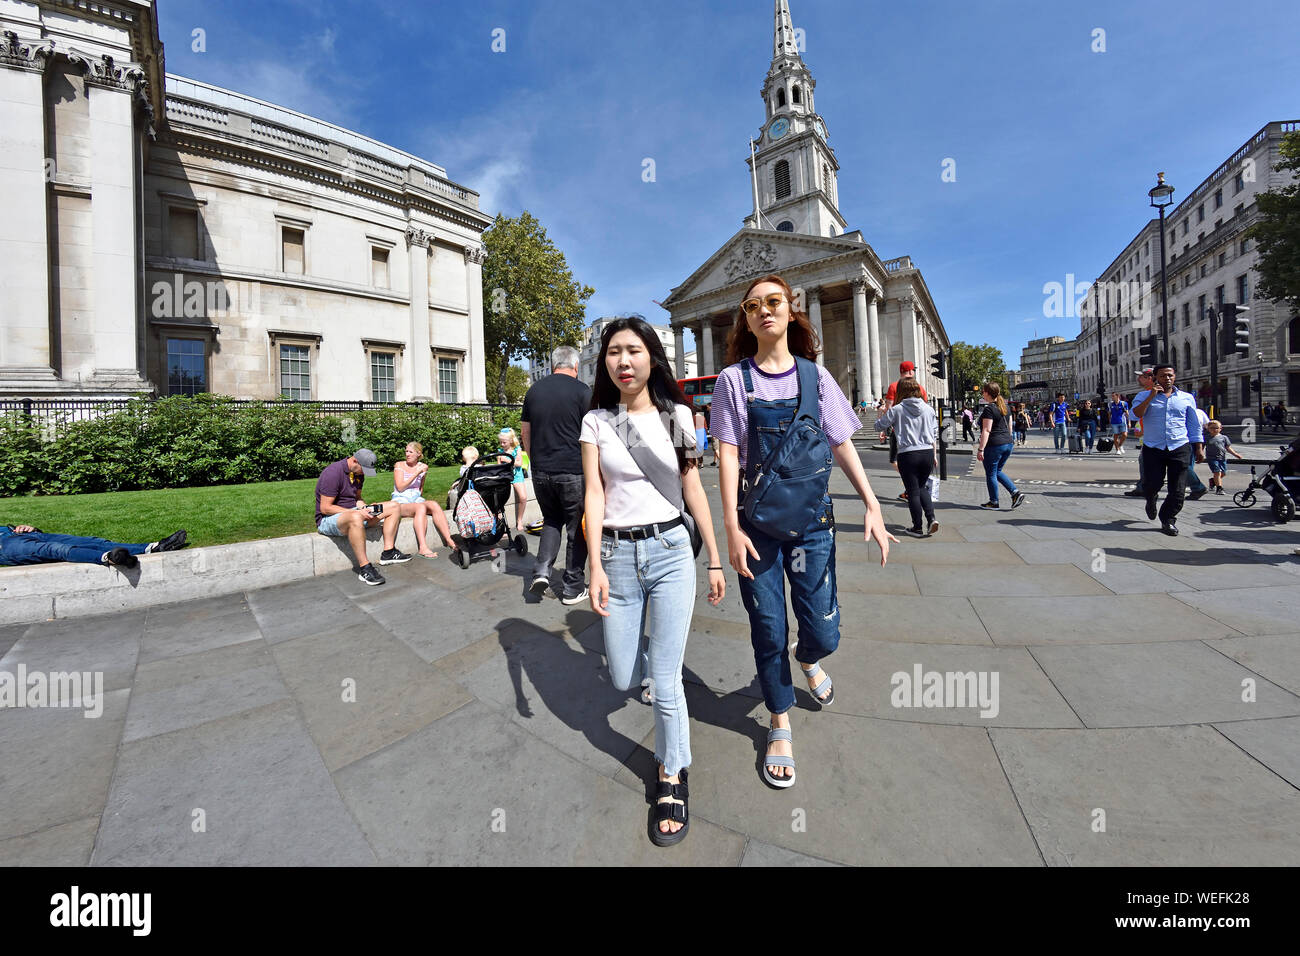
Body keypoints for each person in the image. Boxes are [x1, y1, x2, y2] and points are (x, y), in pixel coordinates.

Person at [710, 274, 896, 789]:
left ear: (791, 310)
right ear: (746, 318)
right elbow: (726, 453)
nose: (764, 311)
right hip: (758, 528)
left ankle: (809, 659)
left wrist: (872, 502)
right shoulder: (732, 381)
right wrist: (729, 525)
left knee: (822, 629)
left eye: (774, 301)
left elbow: (841, 443)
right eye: (753, 306)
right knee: (769, 628)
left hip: (813, 525)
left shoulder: (816, 377)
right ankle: (779, 720)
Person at [581, 316, 725, 846]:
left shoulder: (679, 417)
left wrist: (713, 555)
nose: (623, 361)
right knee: (622, 676)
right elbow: (594, 494)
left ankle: (672, 773)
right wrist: (594, 562)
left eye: (633, 351)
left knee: (664, 682)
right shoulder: (595, 421)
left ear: (652, 359)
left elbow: (694, 487)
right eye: (614, 352)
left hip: (669, 553)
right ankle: (658, 696)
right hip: (617, 556)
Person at [522, 345, 592, 604]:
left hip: (541, 470)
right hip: (573, 470)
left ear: (553, 365)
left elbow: (525, 433)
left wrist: (535, 461)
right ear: (575, 366)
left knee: (551, 520)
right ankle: (573, 587)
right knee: (576, 528)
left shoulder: (533, 391)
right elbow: (593, 434)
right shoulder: (583, 392)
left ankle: (541, 571)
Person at [1130, 365, 1205, 536]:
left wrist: (1198, 447)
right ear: (1155, 377)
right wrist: (1151, 396)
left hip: (1179, 446)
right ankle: (1151, 499)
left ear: (1175, 376)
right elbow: (1135, 415)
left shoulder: (1186, 398)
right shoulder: (1143, 396)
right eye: (1163, 376)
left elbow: (1193, 424)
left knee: (1178, 489)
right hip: (1153, 447)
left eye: (1170, 375)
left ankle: (1168, 519)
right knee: (1152, 484)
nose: (1167, 379)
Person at [315, 448, 407, 586]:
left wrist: (364, 507)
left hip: (353, 512)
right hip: (329, 519)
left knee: (394, 506)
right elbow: (325, 508)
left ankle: (388, 552)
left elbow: (357, 498)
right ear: (354, 461)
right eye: (363, 469)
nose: (363, 473)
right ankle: (365, 568)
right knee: (355, 517)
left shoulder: (358, 473)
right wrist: (357, 512)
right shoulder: (332, 473)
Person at [874, 378, 939, 536]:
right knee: (922, 487)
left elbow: (878, 426)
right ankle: (931, 519)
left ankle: (917, 527)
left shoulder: (897, 409)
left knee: (913, 491)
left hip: (908, 453)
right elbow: (934, 434)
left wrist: (881, 413)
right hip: (927, 453)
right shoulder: (929, 409)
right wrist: (934, 455)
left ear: (901, 391)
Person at [0, 524, 186, 568]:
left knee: (92, 541)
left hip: (21, 535)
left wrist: (28, 528)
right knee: (57, 551)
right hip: (5, 548)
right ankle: (109, 558)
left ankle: (152, 547)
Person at [390, 441, 456, 559]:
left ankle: (449, 539)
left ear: (418, 454)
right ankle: (423, 547)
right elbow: (400, 487)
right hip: (401, 501)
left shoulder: (423, 467)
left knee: (434, 504)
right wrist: (416, 473)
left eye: (411, 452)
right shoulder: (399, 465)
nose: (407, 454)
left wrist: (421, 472)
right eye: (406, 451)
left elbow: (420, 489)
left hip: (415, 499)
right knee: (420, 507)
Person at [977, 382, 1025, 510]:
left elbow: (986, 430)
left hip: (994, 445)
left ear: (987, 393)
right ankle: (1015, 493)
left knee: (991, 473)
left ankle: (994, 502)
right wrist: (1008, 441)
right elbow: (1010, 428)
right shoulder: (1006, 407)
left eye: (983, 391)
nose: (982, 393)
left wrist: (981, 449)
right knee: (997, 471)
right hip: (1007, 443)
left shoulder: (989, 409)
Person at [884, 361, 929, 500]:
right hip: (919, 430)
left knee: (894, 460)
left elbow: (889, 408)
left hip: (900, 430)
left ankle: (911, 487)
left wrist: (886, 427)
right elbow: (925, 407)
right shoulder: (920, 388)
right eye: (913, 370)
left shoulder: (894, 386)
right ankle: (916, 486)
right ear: (910, 371)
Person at [494, 428, 529, 529]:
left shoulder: (517, 449)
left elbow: (519, 464)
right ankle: (500, 520)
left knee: (523, 497)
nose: (502, 444)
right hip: (505, 477)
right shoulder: (500, 451)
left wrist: (508, 460)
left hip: (517, 475)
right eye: (500, 442)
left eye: (504, 442)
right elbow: (498, 467)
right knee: (499, 497)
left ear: (510, 441)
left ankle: (519, 520)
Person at [1204, 420, 1243, 494]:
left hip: (1222, 458)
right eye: (1212, 428)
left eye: (1216, 428)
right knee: (1217, 472)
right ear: (1208, 429)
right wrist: (1200, 454)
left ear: (1220, 428)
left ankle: (1213, 481)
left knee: (1223, 473)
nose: (1214, 430)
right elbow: (1202, 447)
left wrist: (1235, 454)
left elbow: (1228, 447)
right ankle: (1219, 488)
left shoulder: (1224, 437)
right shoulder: (1206, 438)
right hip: (1212, 458)